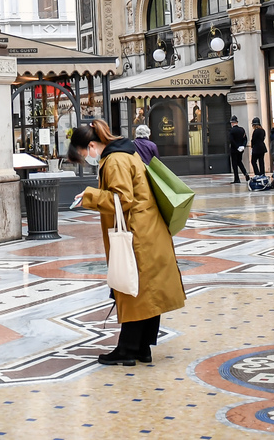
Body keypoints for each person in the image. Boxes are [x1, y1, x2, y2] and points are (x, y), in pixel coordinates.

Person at [69, 120, 186, 365]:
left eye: (84, 153)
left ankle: (128, 349)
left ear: (91, 145)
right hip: (148, 229)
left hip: (137, 233)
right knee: (147, 289)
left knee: (132, 288)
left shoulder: (114, 160)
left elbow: (122, 199)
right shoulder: (126, 151)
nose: (87, 157)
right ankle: (142, 348)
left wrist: (90, 195)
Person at [229, 115, 248, 183]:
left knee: (234, 164)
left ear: (232, 123)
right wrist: (243, 146)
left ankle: (236, 178)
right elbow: (245, 139)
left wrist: (237, 147)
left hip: (234, 149)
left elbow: (231, 140)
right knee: (239, 162)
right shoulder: (242, 129)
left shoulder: (232, 131)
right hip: (241, 149)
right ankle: (245, 173)